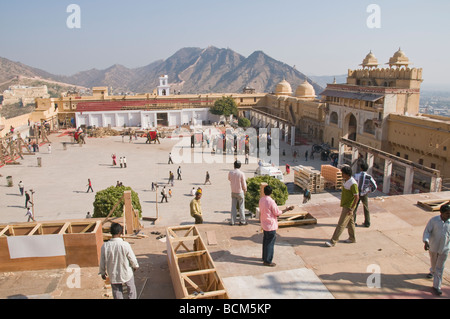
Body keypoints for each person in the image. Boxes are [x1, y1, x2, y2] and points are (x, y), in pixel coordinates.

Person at [99, 223, 139, 299]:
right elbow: (132, 258)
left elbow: (102, 261)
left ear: (111, 232)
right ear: (120, 232)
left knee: (117, 291)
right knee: (131, 289)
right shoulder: (125, 245)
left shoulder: (105, 246)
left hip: (113, 273)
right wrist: (135, 266)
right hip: (126, 272)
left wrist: (102, 272)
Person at [259, 185, 294, 267]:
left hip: (264, 223)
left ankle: (264, 257)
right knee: (270, 243)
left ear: (264, 192)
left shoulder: (261, 200)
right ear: (271, 192)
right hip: (271, 225)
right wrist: (286, 210)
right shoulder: (271, 202)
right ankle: (268, 260)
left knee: (265, 241)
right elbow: (277, 213)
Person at [325, 166, 359, 247]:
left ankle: (333, 241)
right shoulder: (347, 180)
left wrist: (351, 209)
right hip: (345, 205)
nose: (342, 175)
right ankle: (352, 238)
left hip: (348, 206)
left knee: (341, 224)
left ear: (347, 174)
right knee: (350, 223)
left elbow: (356, 197)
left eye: (343, 173)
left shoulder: (353, 183)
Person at [423, 204, 450, 296]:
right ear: (441, 213)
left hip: (445, 249)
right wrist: (426, 241)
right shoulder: (434, 221)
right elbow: (427, 231)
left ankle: (437, 286)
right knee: (434, 262)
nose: (448, 215)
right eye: (447, 213)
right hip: (433, 247)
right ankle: (432, 271)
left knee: (440, 268)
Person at [353, 162, 377, 228]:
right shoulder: (369, 177)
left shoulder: (356, 175)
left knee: (354, 208)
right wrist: (368, 190)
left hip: (357, 194)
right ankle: (367, 223)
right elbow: (374, 186)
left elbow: (352, 184)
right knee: (366, 208)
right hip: (364, 194)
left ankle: (352, 222)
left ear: (361, 168)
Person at [228, 160, 247, 226]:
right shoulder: (241, 173)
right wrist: (245, 190)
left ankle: (232, 221)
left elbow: (229, 179)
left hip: (233, 191)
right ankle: (242, 221)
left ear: (234, 165)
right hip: (240, 192)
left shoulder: (230, 172)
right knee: (241, 207)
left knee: (233, 207)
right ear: (240, 166)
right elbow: (243, 183)